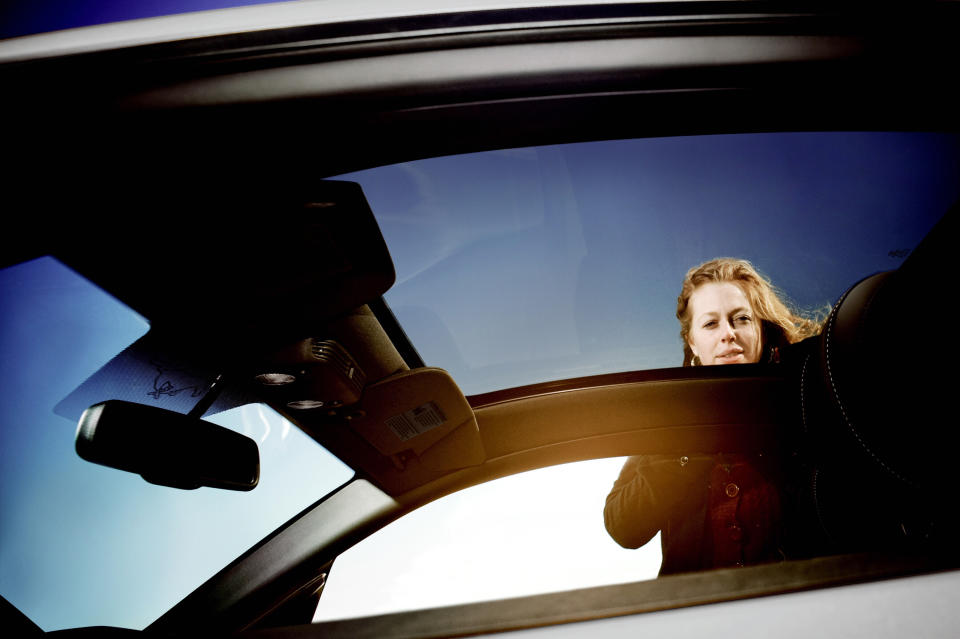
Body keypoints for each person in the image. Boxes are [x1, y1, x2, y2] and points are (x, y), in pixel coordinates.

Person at [604, 258, 821, 575]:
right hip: (699, 613)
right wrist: (685, 453)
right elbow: (624, 527)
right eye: (710, 324)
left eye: (741, 319)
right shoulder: (670, 419)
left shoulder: (804, 404)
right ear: (692, 342)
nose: (728, 333)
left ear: (761, 328)